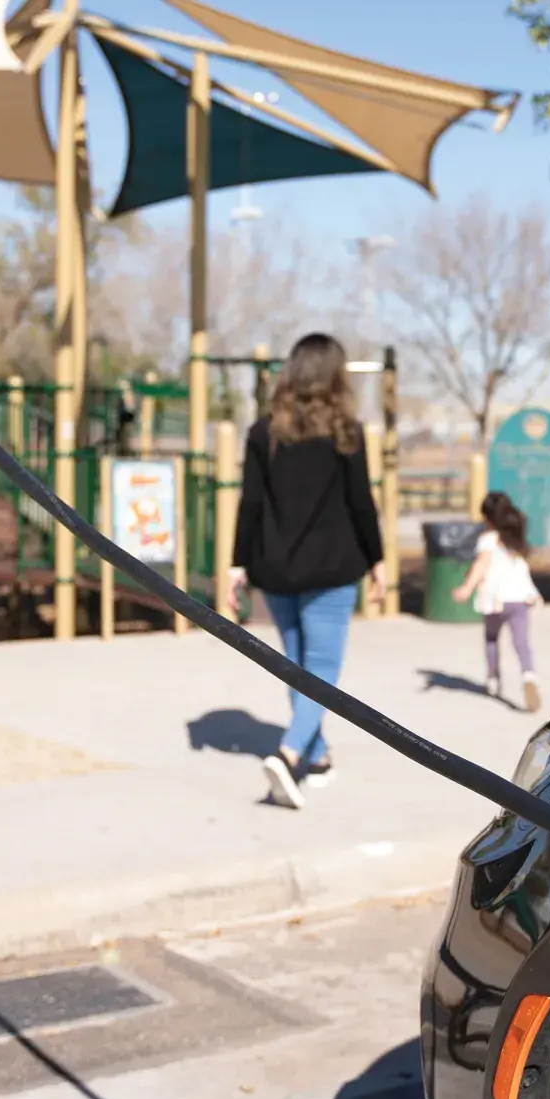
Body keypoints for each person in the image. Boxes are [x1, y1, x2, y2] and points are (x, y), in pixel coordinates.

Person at [227, 333, 384, 809]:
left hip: (275, 568)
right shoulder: (345, 433)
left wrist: (237, 562)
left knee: (296, 668)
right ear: (335, 376)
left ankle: (317, 756)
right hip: (333, 569)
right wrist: (377, 560)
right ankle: (289, 751)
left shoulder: (263, 432)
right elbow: (362, 504)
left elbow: (250, 503)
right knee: (321, 668)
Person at [452, 491, 543, 711]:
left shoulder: (488, 540)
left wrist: (466, 588)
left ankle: (493, 678)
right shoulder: (515, 541)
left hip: (497, 600)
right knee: (521, 641)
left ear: (487, 518)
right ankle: (528, 675)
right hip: (520, 598)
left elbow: (481, 565)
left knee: (491, 638)